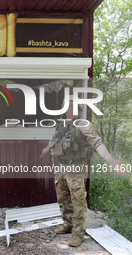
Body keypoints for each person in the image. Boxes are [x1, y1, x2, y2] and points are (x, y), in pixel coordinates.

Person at [39, 97, 122, 247]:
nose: (70, 110)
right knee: (63, 199)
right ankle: (68, 225)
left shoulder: (83, 125)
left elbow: (97, 142)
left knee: (78, 202)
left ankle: (78, 234)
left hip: (76, 168)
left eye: (73, 108)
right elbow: (53, 141)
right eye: (67, 107)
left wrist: (111, 160)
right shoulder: (60, 125)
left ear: (79, 110)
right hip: (61, 168)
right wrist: (45, 150)